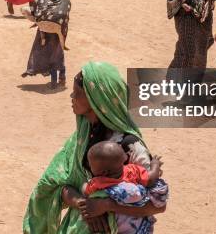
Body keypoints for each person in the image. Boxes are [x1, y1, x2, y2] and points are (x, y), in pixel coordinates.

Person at [23, 62, 168, 234]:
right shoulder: (81, 137)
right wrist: (84, 207)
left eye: (77, 93)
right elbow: (58, 185)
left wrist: (106, 205)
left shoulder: (129, 145)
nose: (71, 96)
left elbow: (157, 205)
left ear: (96, 99)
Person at [80, 141, 166, 234]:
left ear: (104, 172)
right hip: (138, 226)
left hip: (116, 227)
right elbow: (150, 179)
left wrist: (84, 188)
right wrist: (155, 165)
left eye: (91, 165)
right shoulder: (133, 170)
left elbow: (85, 190)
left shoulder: (98, 182)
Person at [21, 0, 70, 88]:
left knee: (49, 56)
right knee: (58, 55)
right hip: (57, 34)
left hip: (44, 34)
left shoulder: (39, 0)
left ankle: (53, 83)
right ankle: (62, 79)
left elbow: (35, 15)